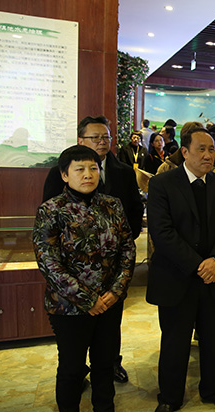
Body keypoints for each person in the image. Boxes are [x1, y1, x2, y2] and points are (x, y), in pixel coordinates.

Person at [33, 145, 135, 412]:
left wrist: (114, 292)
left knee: (104, 363)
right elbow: (48, 262)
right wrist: (89, 300)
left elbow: (127, 249)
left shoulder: (112, 205)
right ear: (65, 175)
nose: (88, 174)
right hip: (68, 308)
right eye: (79, 169)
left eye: (93, 168)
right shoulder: (51, 210)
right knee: (72, 369)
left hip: (109, 302)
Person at [42, 115, 143, 385]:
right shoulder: (59, 174)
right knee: (72, 356)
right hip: (72, 285)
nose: (101, 142)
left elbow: (134, 210)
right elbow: (49, 234)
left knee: (108, 339)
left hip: (110, 275)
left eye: (106, 137)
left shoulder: (123, 171)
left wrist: (121, 243)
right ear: (80, 140)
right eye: (94, 137)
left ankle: (112, 364)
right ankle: (80, 376)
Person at [146, 127, 215, 412]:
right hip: (176, 276)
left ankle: (212, 390)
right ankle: (169, 397)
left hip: (213, 276)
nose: (209, 155)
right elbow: (162, 232)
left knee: (211, 338)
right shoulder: (162, 183)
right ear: (184, 152)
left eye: (212, 149)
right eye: (201, 149)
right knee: (175, 341)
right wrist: (199, 265)